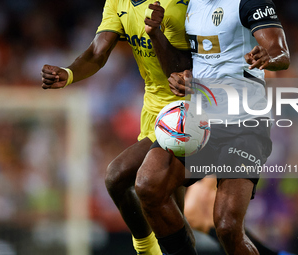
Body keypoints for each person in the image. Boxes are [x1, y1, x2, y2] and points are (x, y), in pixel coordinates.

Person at [134, 0, 290, 254]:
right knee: (148, 185)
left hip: (244, 125)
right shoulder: (190, 5)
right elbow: (185, 64)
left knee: (227, 227)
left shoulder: (249, 2)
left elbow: (281, 52)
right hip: (202, 122)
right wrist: (158, 36)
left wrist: (268, 55)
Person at [40, 0, 192, 254]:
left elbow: (188, 65)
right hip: (153, 112)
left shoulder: (177, 4)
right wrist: (68, 73)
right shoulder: (117, 2)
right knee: (170, 212)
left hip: (186, 111)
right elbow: (98, 52)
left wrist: (156, 34)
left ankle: (146, 251)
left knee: (117, 176)